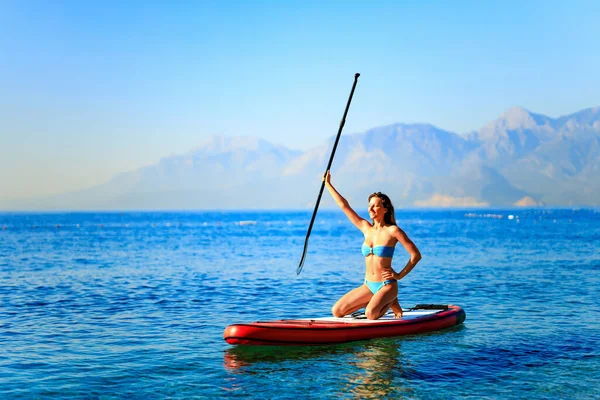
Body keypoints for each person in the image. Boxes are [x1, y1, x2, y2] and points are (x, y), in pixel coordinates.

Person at [323, 170, 421, 320]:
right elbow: (344, 206)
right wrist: (328, 184)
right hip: (368, 285)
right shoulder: (365, 228)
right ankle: (377, 301)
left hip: (387, 284)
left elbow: (415, 255)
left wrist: (399, 275)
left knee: (370, 314)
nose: (370, 209)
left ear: (385, 209)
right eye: (369, 205)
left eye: (375, 206)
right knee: (337, 311)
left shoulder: (393, 231)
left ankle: (390, 300)